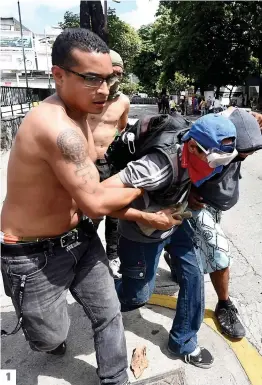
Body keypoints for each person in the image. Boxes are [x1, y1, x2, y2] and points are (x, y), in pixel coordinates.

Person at [0, 29, 178, 385]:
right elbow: (96, 200)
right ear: (59, 75)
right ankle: (43, 335)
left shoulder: (82, 110)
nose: (103, 90)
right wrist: (157, 175)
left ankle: (115, 379)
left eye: (109, 78)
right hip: (31, 254)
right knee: (50, 337)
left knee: (109, 311)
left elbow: (92, 188)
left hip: (79, 236)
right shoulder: (55, 126)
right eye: (91, 79)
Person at [103, 113, 238, 368]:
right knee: (136, 296)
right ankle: (102, 298)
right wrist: (149, 218)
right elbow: (95, 200)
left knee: (194, 274)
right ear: (194, 147)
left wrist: (194, 194)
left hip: (176, 222)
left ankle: (183, 341)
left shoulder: (200, 148)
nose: (219, 167)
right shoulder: (156, 167)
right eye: (216, 160)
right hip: (142, 234)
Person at [164, 108, 262, 340]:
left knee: (196, 246)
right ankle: (224, 305)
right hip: (199, 206)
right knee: (220, 255)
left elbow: (239, 114)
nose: (245, 156)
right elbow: (181, 166)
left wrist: (254, 116)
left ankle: (176, 258)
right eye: (242, 152)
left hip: (217, 205)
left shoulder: (240, 129)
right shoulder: (211, 143)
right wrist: (187, 195)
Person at [88, 50, 130, 278]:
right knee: (90, 213)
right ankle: (82, 255)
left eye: (119, 73)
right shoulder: (88, 98)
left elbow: (122, 129)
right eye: (111, 73)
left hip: (111, 163)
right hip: (86, 164)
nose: (115, 78)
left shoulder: (123, 101)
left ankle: (113, 257)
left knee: (115, 213)